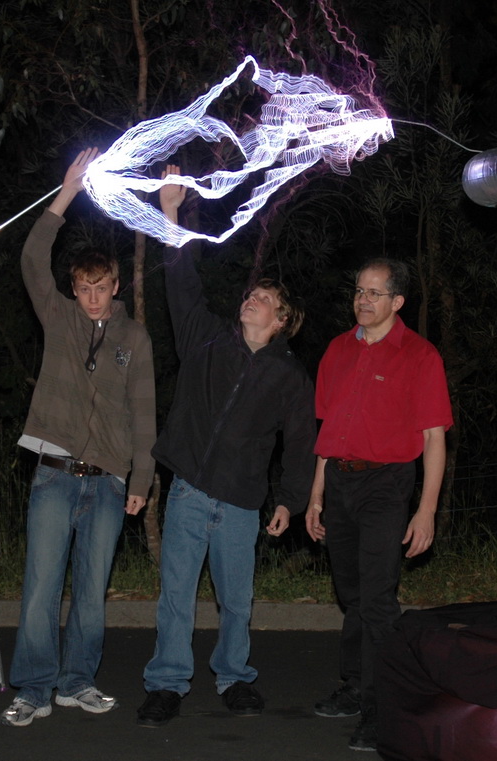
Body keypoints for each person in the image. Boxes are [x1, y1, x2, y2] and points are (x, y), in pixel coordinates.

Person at [135, 166, 317, 728]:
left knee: (236, 600)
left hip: (240, 503)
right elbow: (182, 284)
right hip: (189, 490)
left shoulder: (290, 375)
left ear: (281, 320)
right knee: (176, 596)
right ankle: (167, 683)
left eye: (263, 299)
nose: (251, 300)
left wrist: (289, 499)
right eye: (251, 294)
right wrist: (170, 213)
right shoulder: (207, 338)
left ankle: (235, 677)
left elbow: (301, 444)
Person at [0, 148, 156, 727]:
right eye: (84, 287)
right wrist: (67, 191)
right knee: (42, 587)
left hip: (109, 481)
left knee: (92, 592)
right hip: (55, 473)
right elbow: (31, 256)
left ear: (116, 286)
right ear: (74, 287)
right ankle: (33, 689)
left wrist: (140, 478)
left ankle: (77, 682)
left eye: (101, 287)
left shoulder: (134, 338)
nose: (92, 297)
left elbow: (145, 413)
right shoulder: (59, 317)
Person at [305, 258, 452, 752]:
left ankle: (380, 707)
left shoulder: (420, 355)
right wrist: (316, 495)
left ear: (397, 301)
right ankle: (354, 684)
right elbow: (328, 431)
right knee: (351, 593)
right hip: (340, 482)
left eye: (374, 293)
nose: (362, 300)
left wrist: (426, 510)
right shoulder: (337, 349)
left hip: (387, 486)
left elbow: (434, 438)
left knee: (377, 599)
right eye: (359, 291)